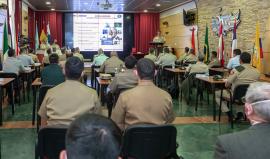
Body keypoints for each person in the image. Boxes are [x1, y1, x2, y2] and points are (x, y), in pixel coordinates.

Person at [111, 58, 175, 130]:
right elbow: (169, 120)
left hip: (132, 140)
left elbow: (116, 123)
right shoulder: (166, 96)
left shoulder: (124, 97)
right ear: (155, 73)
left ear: (136, 73)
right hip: (159, 140)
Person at [38, 57, 101, 126]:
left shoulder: (50, 92)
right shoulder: (92, 94)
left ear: (64, 71)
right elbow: (97, 122)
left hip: (54, 136)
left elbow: (43, 122)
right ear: (82, 73)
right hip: (81, 135)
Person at [214, 82, 270, 159]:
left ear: (248, 109)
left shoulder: (227, 144)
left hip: (235, 95)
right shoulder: (257, 72)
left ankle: (229, 113)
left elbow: (227, 84)